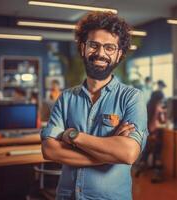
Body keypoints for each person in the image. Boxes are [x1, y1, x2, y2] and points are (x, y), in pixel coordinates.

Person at [40, 11, 148, 200]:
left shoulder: (132, 98)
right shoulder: (65, 98)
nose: (100, 53)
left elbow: (128, 152)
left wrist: (72, 135)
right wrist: (108, 155)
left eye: (109, 48)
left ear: (119, 54)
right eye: (94, 45)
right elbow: (49, 150)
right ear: (83, 48)